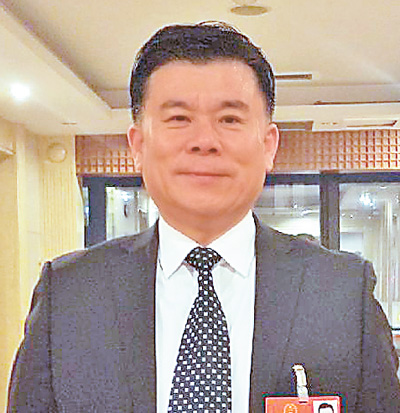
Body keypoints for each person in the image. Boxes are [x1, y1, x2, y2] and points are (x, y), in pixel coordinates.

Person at [7, 22, 400, 413]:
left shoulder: (342, 291)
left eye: (229, 119)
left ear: (268, 145)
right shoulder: (70, 293)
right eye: (179, 118)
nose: (204, 141)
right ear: (138, 145)